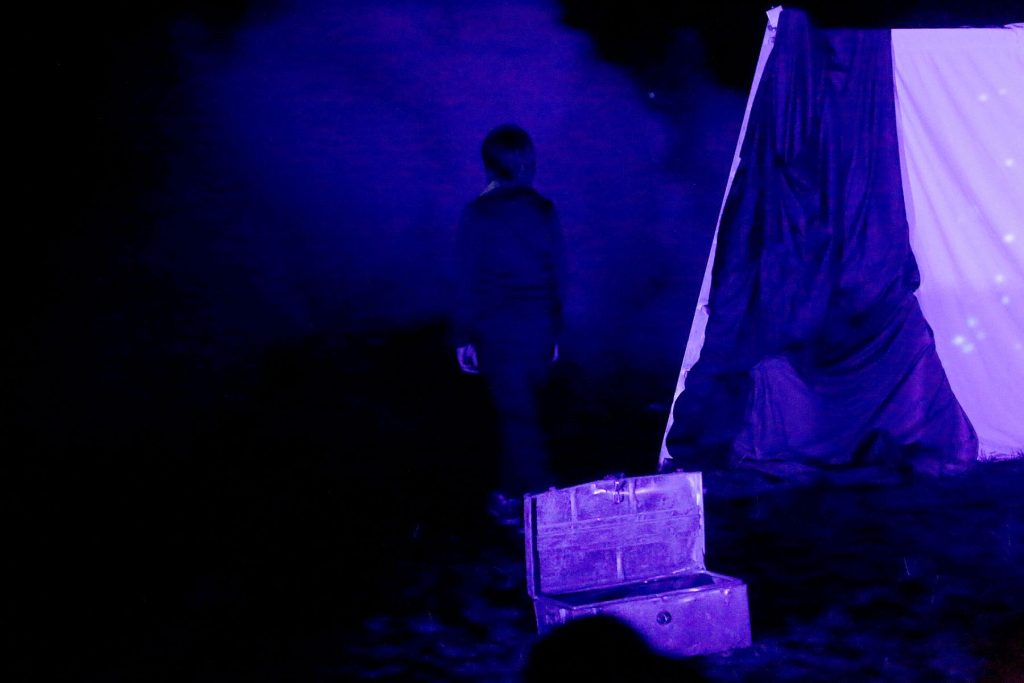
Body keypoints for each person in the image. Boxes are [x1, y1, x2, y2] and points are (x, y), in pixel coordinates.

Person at [453, 124, 566, 525]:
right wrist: (555, 330)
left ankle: (538, 500)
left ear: (489, 165)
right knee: (520, 413)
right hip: (537, 327)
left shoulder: (478, 214)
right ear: (526, 162)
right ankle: (513, 493)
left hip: (499, 331)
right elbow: (558, 274)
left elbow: (467, 279)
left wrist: (463, 337)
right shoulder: (543, 210)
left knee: (518, 417)